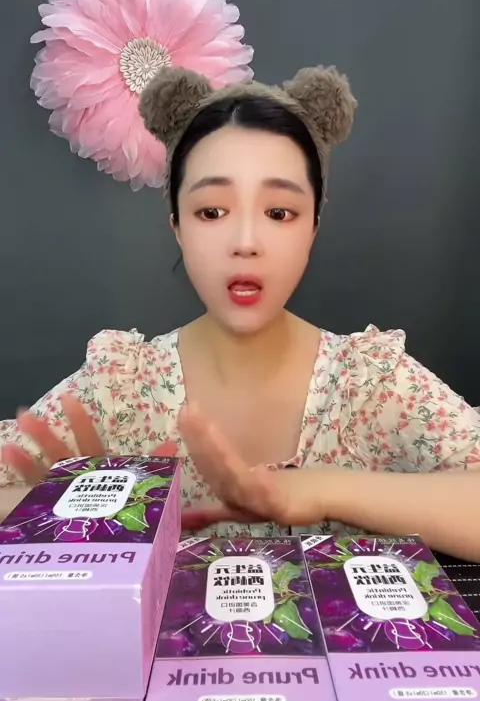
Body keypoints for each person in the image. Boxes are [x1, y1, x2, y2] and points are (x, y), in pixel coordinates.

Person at [1, 64, 480, 561]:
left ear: (313, 227)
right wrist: (76, 501)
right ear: (177, 226)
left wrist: (322, 489)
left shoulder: (368, 383)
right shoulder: (120, 387)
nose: (246, 242)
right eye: (211, 212)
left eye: (279, 213)